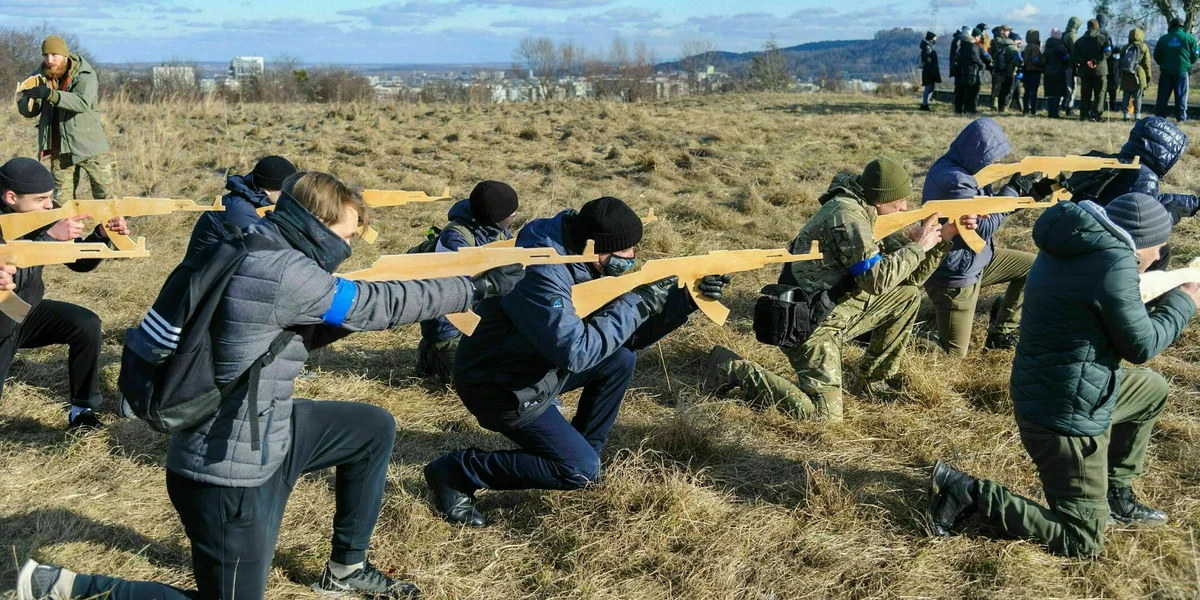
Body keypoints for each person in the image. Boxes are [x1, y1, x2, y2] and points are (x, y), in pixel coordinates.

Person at [15, 172, 527, 599]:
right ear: (318, 223)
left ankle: (346, 569)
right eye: (348, 234)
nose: (350, 245)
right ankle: (65, 587)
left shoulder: (262, 241)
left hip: (266, 428)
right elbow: (376, 305)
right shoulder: (280, 270)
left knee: (370, 427)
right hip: (225, 468)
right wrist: (476, 286)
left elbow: (287, 331)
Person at [422, 196, 731, 526]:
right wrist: (635, 304)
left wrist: (684, 301)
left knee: (620, 359)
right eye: (623, 250)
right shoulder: (541, 274)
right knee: (578, 469)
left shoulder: (582, 261)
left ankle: (585, 452)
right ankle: (456, 472)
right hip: (499, 385)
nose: (631, 257)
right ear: (595, 248)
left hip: (535, 369)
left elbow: (627, 338)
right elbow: (576, 353)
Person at [929, 194, 1199, 557]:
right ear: (1143, 245)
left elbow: (1108, 309)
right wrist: (1184, 301)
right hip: (1065, 417)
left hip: (1054, 387)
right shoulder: (1112, 264)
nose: (1162, 253)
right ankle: (968, 494)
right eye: (1161, 245)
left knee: (1151, 388)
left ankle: (1115, 494)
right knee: (1082, 541)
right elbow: (1141, 346)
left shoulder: (1079, 245)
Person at [702, 158, 951, 421]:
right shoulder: (847, 216)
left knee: (906, 297)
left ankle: (871, 380)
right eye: (898, 201)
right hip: (809, 325)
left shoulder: (866, 213)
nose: (904, 207)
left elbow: (910, 280)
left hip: (834, 314)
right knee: (824, 419)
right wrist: (917, 248)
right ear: (880, 199)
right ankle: (733, 368)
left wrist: (943, 240)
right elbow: (875, 281)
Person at [0, 157, 129, 430]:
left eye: (51, 197)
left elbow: (79, 264)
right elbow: (12, 275)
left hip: (24, 311)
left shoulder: (44, 215)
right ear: (11, 197)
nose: (50, 205)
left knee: (86, 324)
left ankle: (82, 411)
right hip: (1, 319)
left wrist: (101, 236)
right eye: (41, 199)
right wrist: (50, 238)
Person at [921, 118, 1046, 356]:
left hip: (976, 259)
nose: (997, 162)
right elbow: (982, 230)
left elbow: (991, 211)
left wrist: (1030, 195)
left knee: (1032, 267)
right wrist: (1012, 191)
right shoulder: (956, 181)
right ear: (977, 152)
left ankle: (1001, 332)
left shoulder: (966, 168)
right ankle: (889, 333)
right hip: (954, 273)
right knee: (953, 354)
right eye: (992, 157)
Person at [416, 180, 519, 385]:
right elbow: (453, 293)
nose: (515, 214)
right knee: (475, 384)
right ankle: (433, 353)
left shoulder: (496, 231)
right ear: (495, 217)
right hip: (450, 325)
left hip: (480, 318)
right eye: (511, 212)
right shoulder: (454, 241)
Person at [16, 36, 112, 202]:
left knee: (106, 198)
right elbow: (28, 112)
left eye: (54, 55)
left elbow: (81, 102)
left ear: (65, 55)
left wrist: (50, 94)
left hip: (90, 145)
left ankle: (109, 221)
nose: (49, 60)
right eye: (46, 55)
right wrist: (30, 97)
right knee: (61, 203)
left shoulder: (85, 74)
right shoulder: (39, 76)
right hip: (59, 148)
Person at [1063, 117, 1200, 225]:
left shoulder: (1116, 163)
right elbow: (1140, 227)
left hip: (1076, 224)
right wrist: (1169, 216)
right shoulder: (1146, 178)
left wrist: (1192, 203)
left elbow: (1141, 200)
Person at [185, 155, 297, 258]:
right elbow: (264, 254)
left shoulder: (257, 202)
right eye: (286, 192)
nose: (291, 197)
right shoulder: (238, 211)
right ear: (268, 190)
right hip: (206, 272)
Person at [1154, 17, 1199, 122]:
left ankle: (1160, 118)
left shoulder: (1163, 39)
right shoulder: (1190, 38)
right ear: (1182, 26)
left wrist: (1163, 63)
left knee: (1162, 97)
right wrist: (1188, 63)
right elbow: (1196, 53)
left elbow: (1156, 55)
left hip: (1165, 72)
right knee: (1181, 96)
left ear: (1171, 26)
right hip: (1181, 71)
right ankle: (1181, 118)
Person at [1074, 19, 1112, 122]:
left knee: (1085, 94)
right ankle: (1096, 115)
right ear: (1097, 27)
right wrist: (1095, 61)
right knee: (1100, 94)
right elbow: (1107, 52)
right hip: (1100, 71)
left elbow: (1075, 55)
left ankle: (1084, 115)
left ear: (1087, 27)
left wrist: (1085, 62)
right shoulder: (1104, 39)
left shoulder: (1079, 42)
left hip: (1085, 71)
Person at [1120, 28, 1152, 121]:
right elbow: (1147, 63)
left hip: (1126, 74)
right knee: (1137, 96)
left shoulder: (1125, 47)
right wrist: (1148, 76)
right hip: (1139, 74)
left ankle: (1126, 114)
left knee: (1126, 95)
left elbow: (1121, 61)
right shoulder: (1143, 47)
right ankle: (1137, 115)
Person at [957, 29, 990, 114]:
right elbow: (975, 57)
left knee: (968, 91)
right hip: (972, 71)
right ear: (976, 37)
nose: (980, 38)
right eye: (979, 36)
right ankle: (970, 108)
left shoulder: (964, 45)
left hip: (968, 70)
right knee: (972, 91)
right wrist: (981, 64)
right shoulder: (972, 45)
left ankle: (966, 108)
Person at [1044, 29, 1071, 118]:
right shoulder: (1060, 47)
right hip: (1059, 72)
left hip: (1048, 72)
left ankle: (1050, 112)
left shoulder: (1047, 46)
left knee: (1050, 94)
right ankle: (1055, 112)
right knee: (1057, 93)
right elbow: (1066, 59)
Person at [1097, 14, 1120, 112]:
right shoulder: (1105, 33)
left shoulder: (1092, 32)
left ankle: (1100, 106)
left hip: (1094, 63)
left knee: (1099, 89)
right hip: (1107, 63)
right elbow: (1109, 48)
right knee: (1110, 85)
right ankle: (1112, 106)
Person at [992, 26, 1017, 112]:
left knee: (1000, 89)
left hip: (999, 70)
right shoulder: (1008, 45)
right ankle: (1002, 107)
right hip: (1008, 71)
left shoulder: (1000, 44)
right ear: (1002, 31)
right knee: (1006, 89)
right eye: (1007, 31)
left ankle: (998, 106)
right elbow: (1017, 60)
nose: (1009, 33)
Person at [1062, 17, 1083, 116]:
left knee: (1067, 86)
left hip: (1064, 65)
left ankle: (1065, 105)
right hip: (1071, 65)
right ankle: (1069, 107)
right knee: (1072, 87)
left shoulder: (1063, 35)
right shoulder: (1072, 36)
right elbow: (1075, 51)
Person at [1022, 29, 1044, 115]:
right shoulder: (1035, 48)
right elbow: (1035, 60)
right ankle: (1033, 110)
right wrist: (1043, 64)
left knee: (1027, 91)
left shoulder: (1027, 47)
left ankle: (1026, 109)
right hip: (1034, 71)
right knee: (1033, 91)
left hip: (1027, 71)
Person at [920, 32, 941, 111]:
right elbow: (928, 59)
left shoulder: (926, 47)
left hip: (928, 70)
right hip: (929, 71)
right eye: (934, 39)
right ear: (931, 39)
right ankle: (924, 104)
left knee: (930, 88)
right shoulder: (928, 48)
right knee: (928, 87)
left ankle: (925, 103)